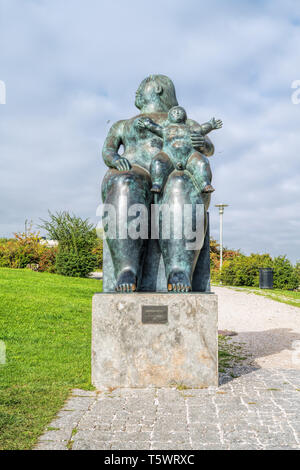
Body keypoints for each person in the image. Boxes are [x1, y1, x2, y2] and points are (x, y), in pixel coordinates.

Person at [102, 75, 215, 292]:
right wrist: (116, 160)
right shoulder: (124, 125)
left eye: (141, 87)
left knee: (179, 183)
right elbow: (108, 150)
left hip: (176, 170)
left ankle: (179, 269)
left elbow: (207, 146)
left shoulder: (186, 123)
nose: (136, 92)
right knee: (126, 182)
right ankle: (127, 269)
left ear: (159, 89)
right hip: (134, 172)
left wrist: (203, 143)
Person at [137, 106, 222, 194]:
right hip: (169, 155)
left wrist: (211, 125)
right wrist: (148, 124)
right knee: (157, 162)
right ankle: (157, 184)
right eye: (174, 112)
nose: (177, 113)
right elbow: (156, 128)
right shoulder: (166, 129)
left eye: (179, 112)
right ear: (170, 117)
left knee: (202, 162)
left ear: (184, 116)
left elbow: (202, 129)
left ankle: (205, 183)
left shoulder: (191, 128)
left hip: (190, 155)